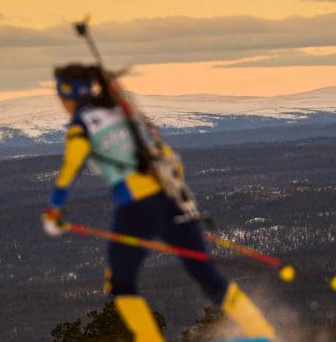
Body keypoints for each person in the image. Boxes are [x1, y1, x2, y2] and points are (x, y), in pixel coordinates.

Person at [42, 64, 276, 342]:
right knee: (206, 275)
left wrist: (54, 209)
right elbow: (165, 154)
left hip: (137, 207)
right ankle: (262, 333)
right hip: (173, 199)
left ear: (67, 95)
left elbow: (71, 167)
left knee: (120, 281)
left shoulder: (81, 125)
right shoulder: (121, 109)